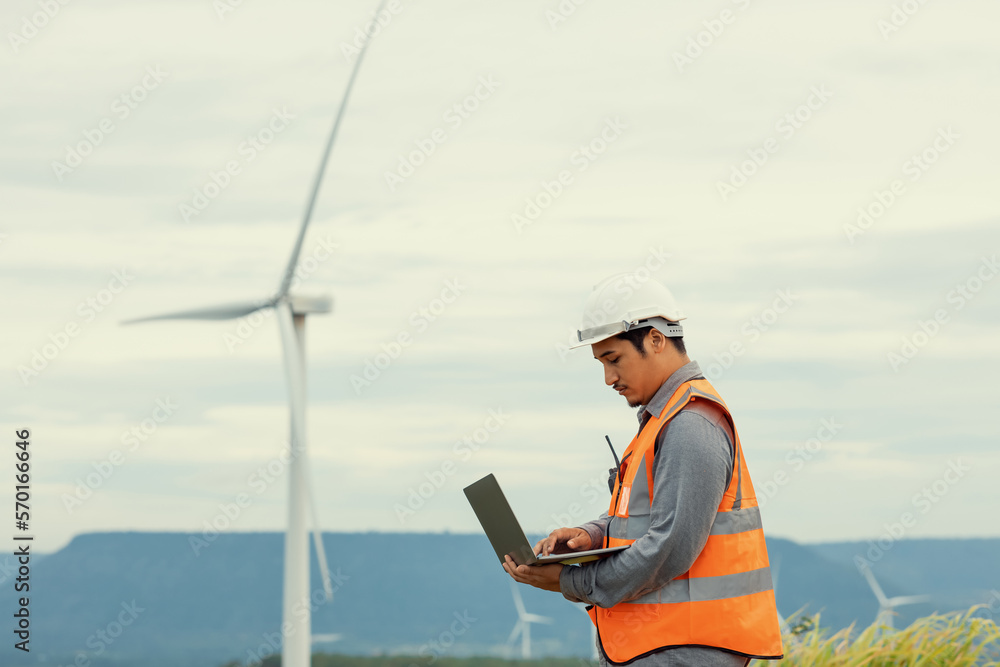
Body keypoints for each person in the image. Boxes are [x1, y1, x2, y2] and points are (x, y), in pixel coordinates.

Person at [502, 273, 783, 666]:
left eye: (614, 360)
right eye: (601, 363)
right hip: (660, 646)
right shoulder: (662, 420)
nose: (608, 379)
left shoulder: (691, 424)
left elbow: (668, 546)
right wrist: (591, 534)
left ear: (655, 339)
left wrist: (570, 581)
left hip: (683, 649)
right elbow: (643, 519)